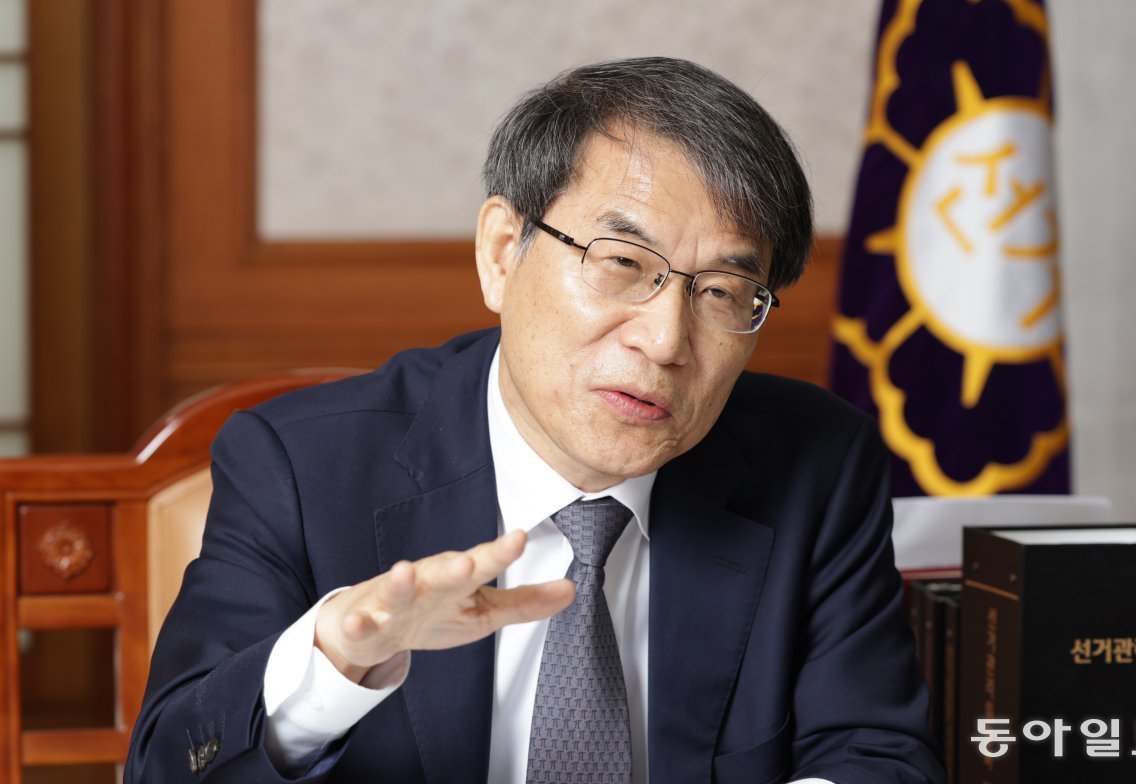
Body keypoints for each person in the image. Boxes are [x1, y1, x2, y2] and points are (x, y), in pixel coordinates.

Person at [126, 57, 945, 784]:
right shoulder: (303, 467)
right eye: (621, 263)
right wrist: (332, 663)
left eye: (724, 293)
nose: (666, 341)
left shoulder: (817, 464)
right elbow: (166, 767)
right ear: (501, 252)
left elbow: (877, 754)